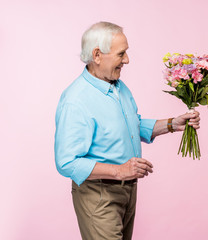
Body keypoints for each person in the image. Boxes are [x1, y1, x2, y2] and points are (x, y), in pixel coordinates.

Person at [54, 21, 200, 240]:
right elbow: (66, 162)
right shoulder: (75, 101)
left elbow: (130, 125)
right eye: (121, 54)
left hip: (128, 190)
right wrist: (118, 171)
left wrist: (172, 124)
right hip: (99, 194)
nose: (127, 60)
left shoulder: (118, 86)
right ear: (97, 55)